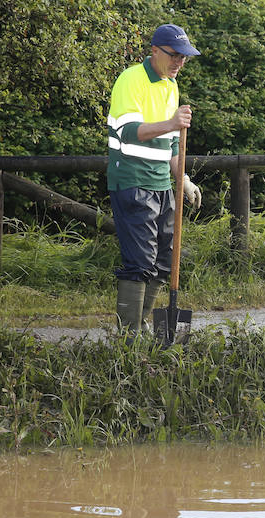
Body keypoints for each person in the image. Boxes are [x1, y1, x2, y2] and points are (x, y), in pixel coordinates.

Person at [107, 24, 203, 336]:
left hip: (163, 184)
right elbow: (129, 131)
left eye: (184, 58)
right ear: (155, 51)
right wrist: (172, 121)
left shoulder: (170, 86)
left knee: (164, 258)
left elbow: (173, 145)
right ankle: (129, 337)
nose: (179, 63)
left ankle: (147, 326)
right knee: (140, 260)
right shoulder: (130, 80)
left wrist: (183, 179)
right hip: (132, 180)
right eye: (174, 56)